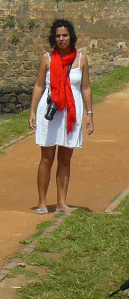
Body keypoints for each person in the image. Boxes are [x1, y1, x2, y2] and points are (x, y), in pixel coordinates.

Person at [29, 19, 94, 215]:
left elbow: (85, 87)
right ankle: (42, 202)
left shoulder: (81, 59)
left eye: (65, 35)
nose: (61, 39)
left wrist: (90, 113)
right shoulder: (47, 58)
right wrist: (32, 110)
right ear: (53, 38)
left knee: (65, 159)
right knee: (47, 158)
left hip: (72, 112)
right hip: (51, 111)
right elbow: (39, 85)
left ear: (71, 36)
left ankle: (61, 203)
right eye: (58, 36)